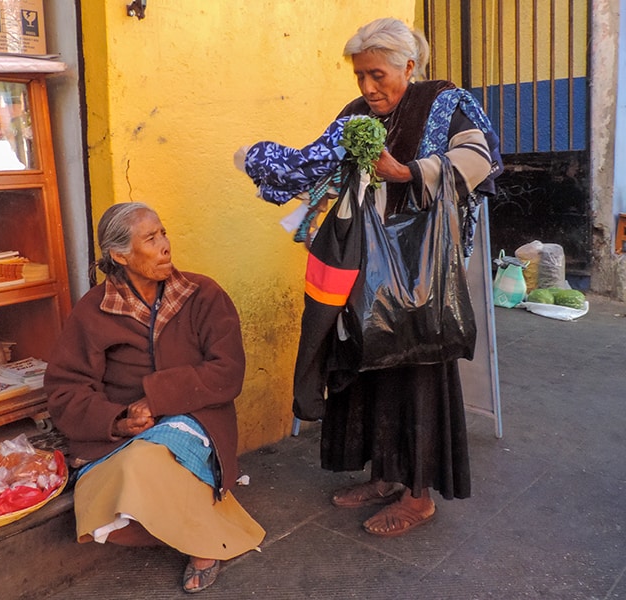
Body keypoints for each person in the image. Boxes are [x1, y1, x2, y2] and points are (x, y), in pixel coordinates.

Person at [235, 17, 502, 537]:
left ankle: (418, 495)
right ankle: (384, 476)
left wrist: (404, 172)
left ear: (409, 64)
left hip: (420, 272)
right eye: (359, 76)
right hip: (366, 265)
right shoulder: (356, 115)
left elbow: (480, 159)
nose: (367, 87)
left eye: (377, 74)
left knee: (415, 372)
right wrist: (267, 164)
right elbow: (317, 165)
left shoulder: (445, 102)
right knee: (367, 361)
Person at [44, 202, 265, 593]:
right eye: (151, 238)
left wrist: (158, 399)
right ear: (120, 255)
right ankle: (177, 522)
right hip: (125, 429)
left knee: (152, 458)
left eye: (163, 233)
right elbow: (66, 389)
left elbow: (228, 372)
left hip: (195, 416)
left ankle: (203, 542)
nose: (165, 245)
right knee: (130, 468)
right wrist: (116, 420)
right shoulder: (93, 311)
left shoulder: (203, 294)